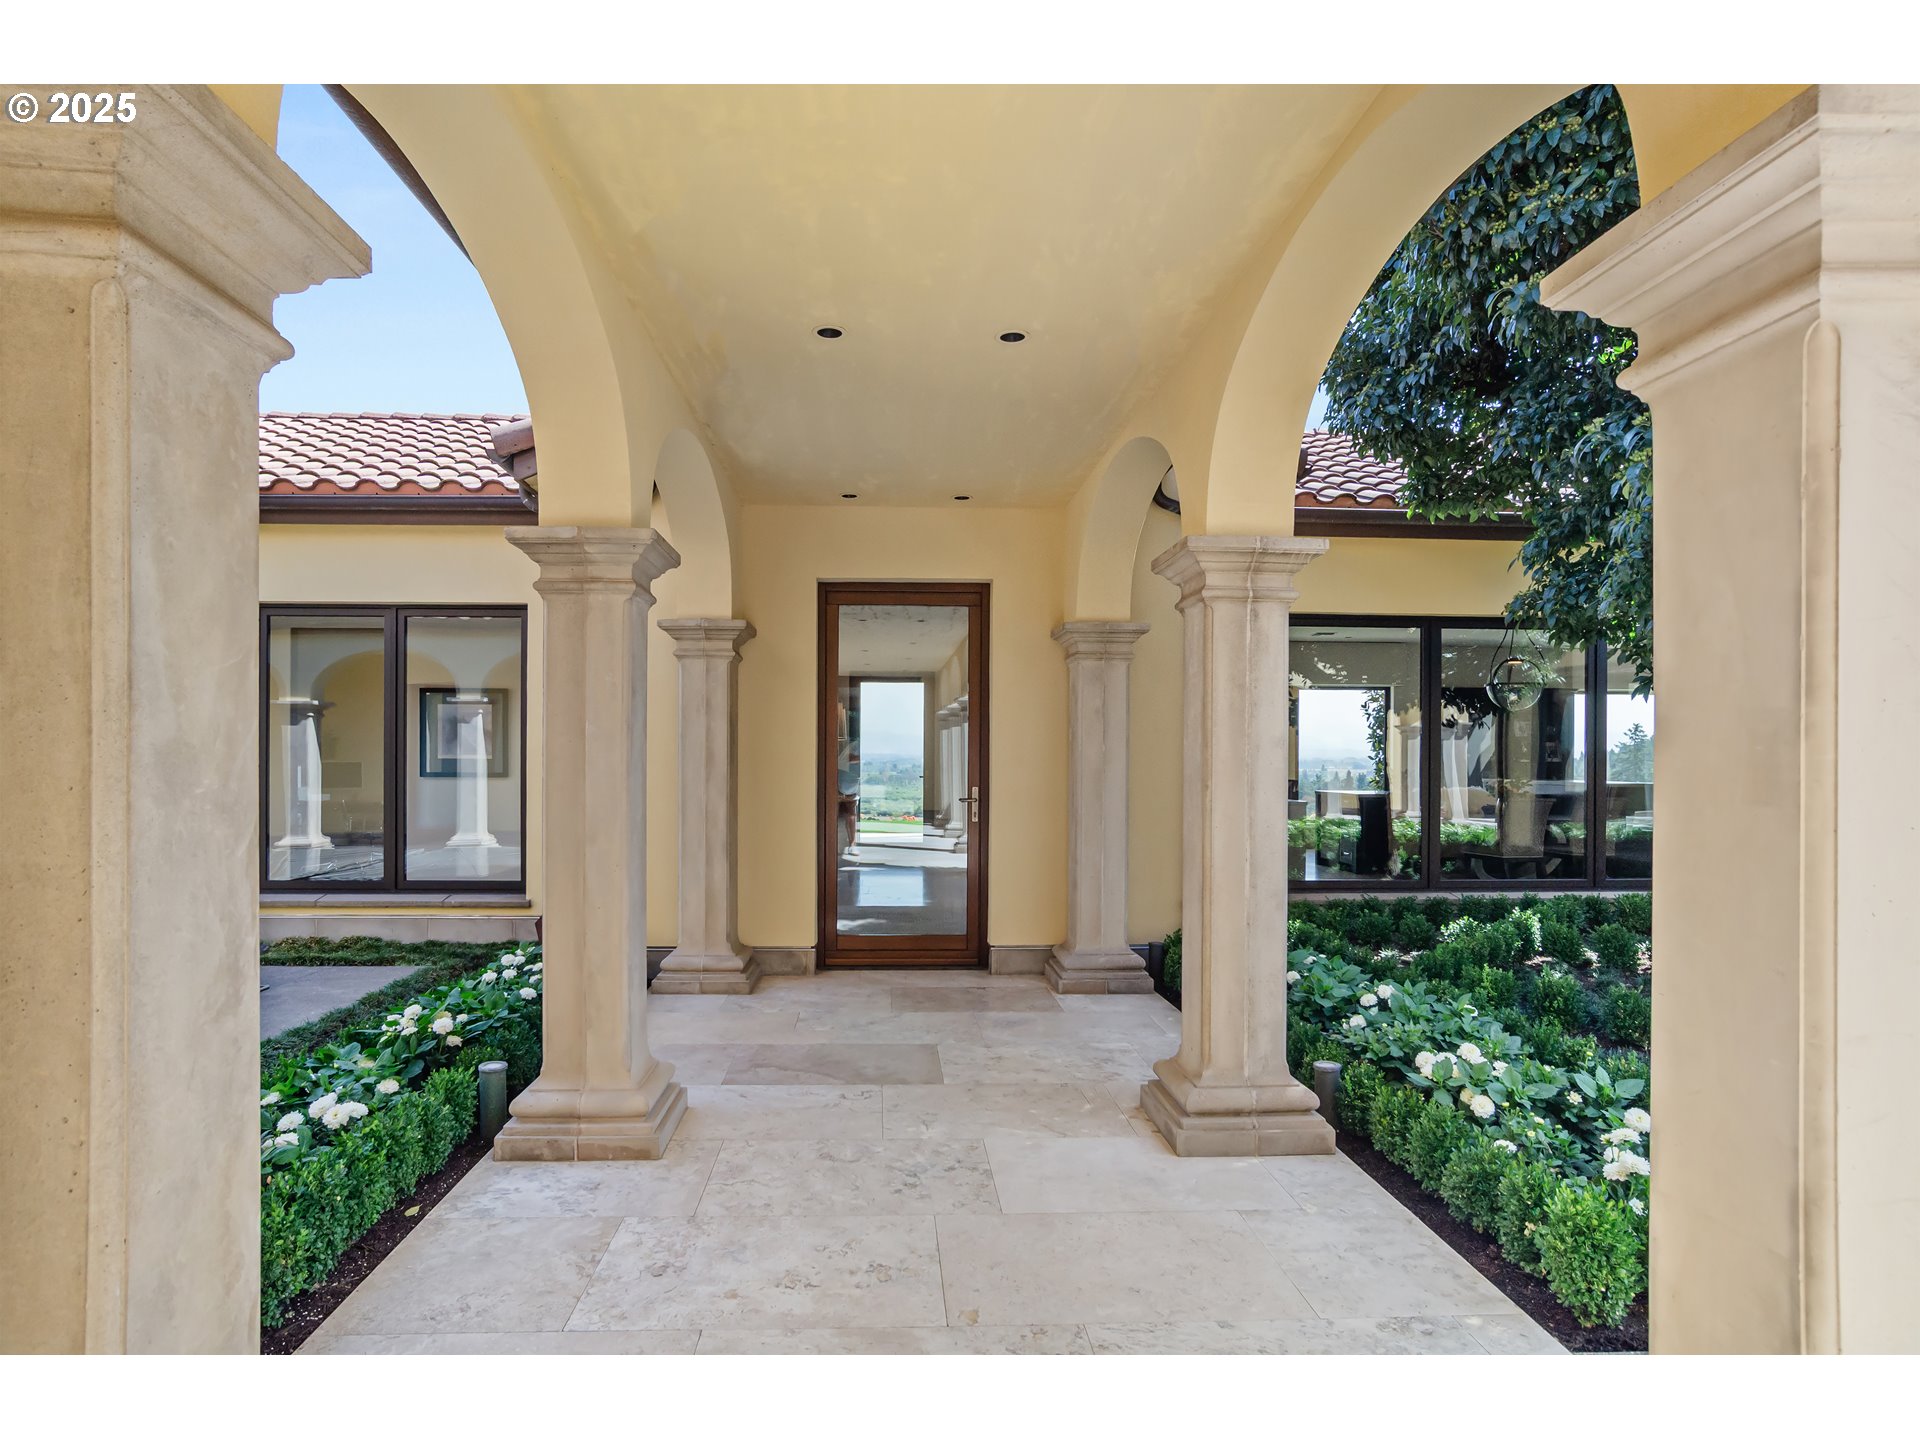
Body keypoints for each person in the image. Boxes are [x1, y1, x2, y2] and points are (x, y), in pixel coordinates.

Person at [837, 746, 861, 855]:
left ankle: (852, 844)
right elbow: (848, 758)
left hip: (851, 786)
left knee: (851, 815)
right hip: (839, 783)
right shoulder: (854, 746)